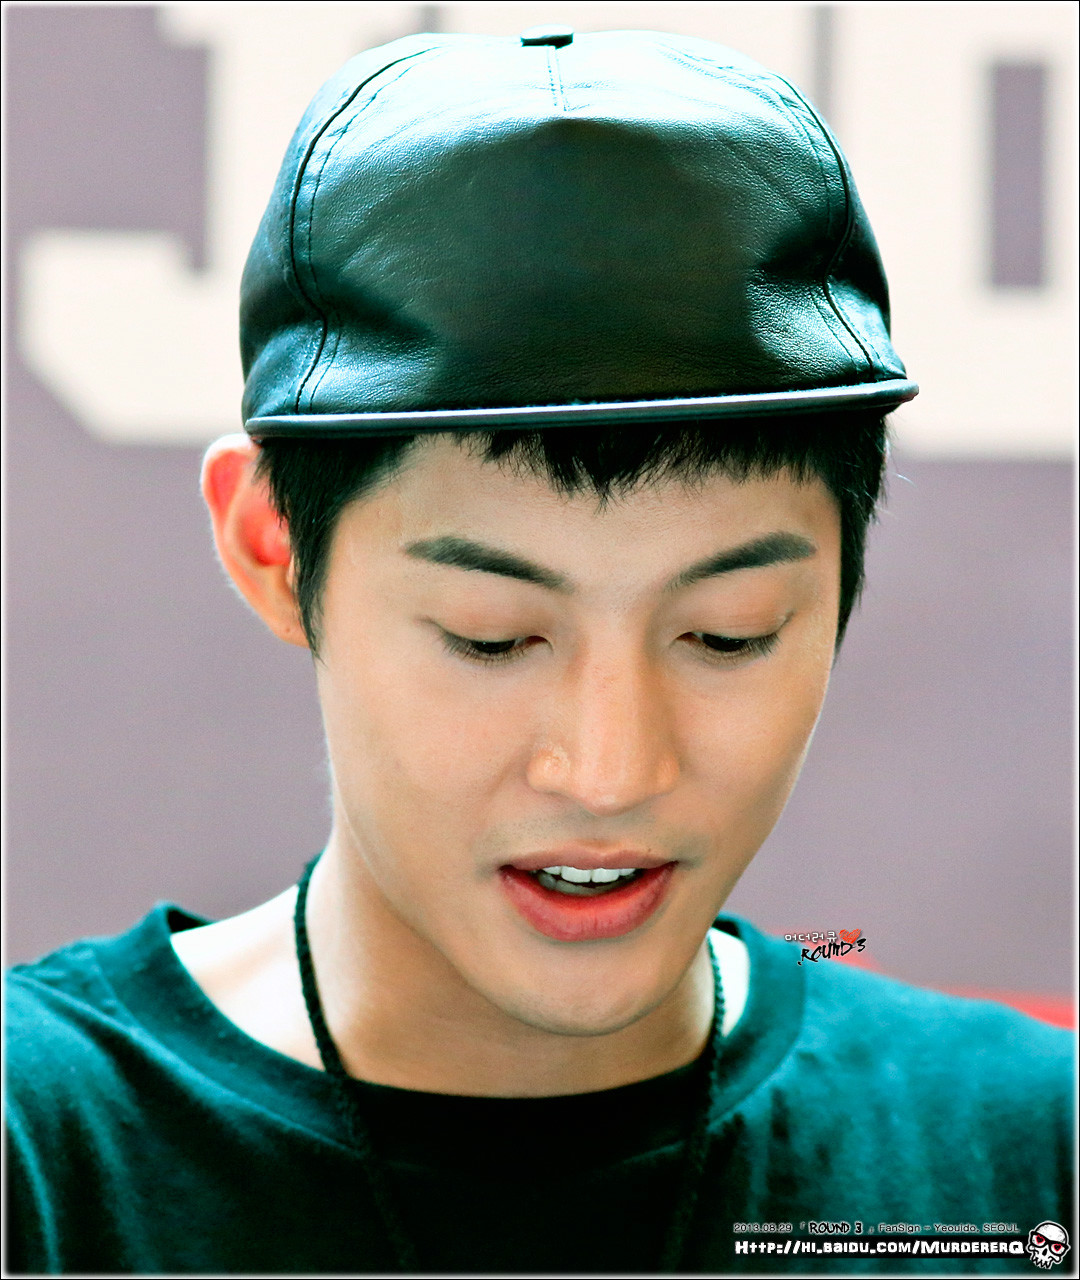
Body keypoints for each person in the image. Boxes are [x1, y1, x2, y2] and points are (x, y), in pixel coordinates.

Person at [6, 26, 1072, 1277]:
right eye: (493, 636)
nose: (610, 770)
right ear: (273, 547)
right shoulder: (43, 1155)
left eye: (727, 633)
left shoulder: (1028, 1156)